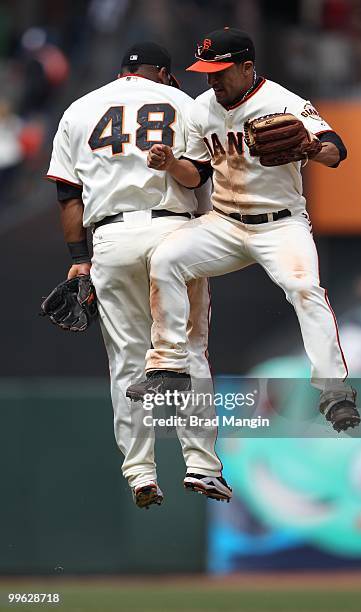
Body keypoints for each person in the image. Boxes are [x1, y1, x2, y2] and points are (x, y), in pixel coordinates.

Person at [126, 28, 360, 433]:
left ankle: (334, 390)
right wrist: (169, 164)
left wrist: (310, 147)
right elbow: (196, 173)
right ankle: (168, 365)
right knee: (165, 258)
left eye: (220, 71)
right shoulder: (201, 109)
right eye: (207, 71)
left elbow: (337, 150)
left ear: (247, 67)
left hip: (280, 224)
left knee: (305, 289)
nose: (211, 79)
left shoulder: (283, 102)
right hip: (225, 222)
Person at [46, 42, 232, 509]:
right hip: (174, 232)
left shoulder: (80, 108)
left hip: (111, 239)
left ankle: (140, 473)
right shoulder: (185, 104)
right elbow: (201, 179)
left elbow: (69, 197)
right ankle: (202, 465)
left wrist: (79, 258)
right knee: (188, 351)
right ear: (165, 74)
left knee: (127, 361)